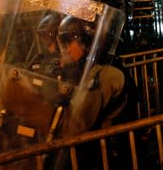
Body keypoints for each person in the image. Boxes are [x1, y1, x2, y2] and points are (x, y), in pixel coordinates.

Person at [52, 15, 137, 169]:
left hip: (110, 156)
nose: (67, 50)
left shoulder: (103, 74)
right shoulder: (92, 68)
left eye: (69, 43)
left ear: (84, 42)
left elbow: (78, 125)